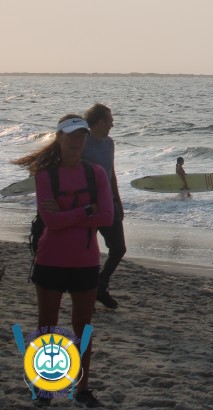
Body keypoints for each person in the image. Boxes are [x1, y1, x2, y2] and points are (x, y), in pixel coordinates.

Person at [12, 115, 113, 408]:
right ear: (59, 137)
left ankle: (83, 388)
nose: (77, 140)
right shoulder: (46, 176)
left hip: (85, 261)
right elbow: (51, 222)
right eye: (71, 135)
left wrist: (69, 213)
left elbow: (107, 217)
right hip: (51, 259)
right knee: (47, 327)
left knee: (83, 328)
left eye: (81, 135)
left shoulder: (95, 174)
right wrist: (87, 210)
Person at [82, 103, 126, 310]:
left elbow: (111, 173)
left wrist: (118, 201)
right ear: (99, 122)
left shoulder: (109, 143)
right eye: (110, 121)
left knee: (118, 248)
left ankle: (100, 286)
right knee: (86, 251)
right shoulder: (82, 143)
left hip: (108, 203)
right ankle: (88, 292)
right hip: (86, 206)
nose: (112, 125)